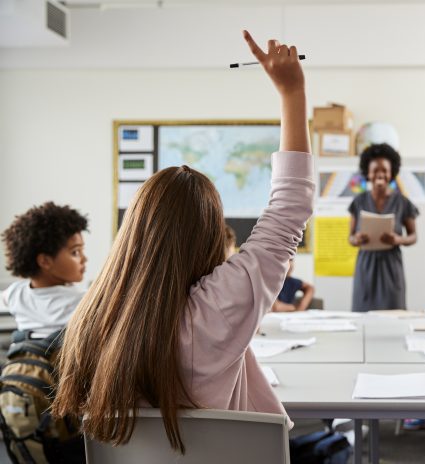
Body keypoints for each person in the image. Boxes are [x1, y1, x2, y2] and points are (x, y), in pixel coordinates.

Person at [53, 31, 314, 453]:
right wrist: (293, 92)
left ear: (133, 234)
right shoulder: (215, 311)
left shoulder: (93, 318)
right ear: (211, 234)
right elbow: (289, 210)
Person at [348, 143, 419, 311]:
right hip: (366, 265)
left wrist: (398, 239)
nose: (380, 174)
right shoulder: (358, 202)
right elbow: (350, 238)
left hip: (391, 266)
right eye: (375, 170)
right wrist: (357, 238)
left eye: (384, 170)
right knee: (362, 313)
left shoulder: (402, 202)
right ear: (368, 173)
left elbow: (413, 236)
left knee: (393, 312)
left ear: (391, 173)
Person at [1, 202, 88, 337]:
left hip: (23, 354)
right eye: (75, 252)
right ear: (45, 261)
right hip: (61, 357)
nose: (84, 258)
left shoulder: (15, 293)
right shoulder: (83, 301)